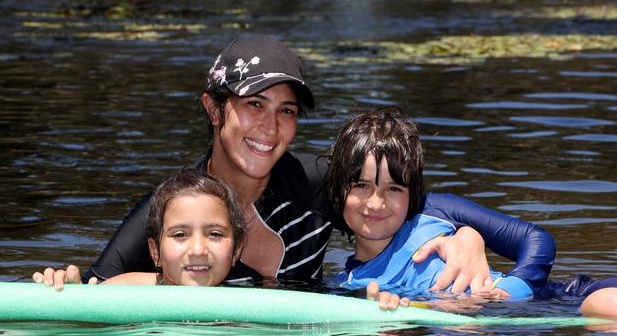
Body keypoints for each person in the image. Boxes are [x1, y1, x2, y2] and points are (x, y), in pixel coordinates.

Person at [33, 35, 554, 292]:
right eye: (253, 105)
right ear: (214, 109)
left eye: (285, 111)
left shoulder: (315, 182)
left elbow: (406, 203)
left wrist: (467, 237)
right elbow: (93, 296)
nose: (270, 128)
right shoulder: (169, 211)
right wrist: (61, 283)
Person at [325, 107, 617, 320]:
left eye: (394, 189)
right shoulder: (348, 287)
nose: (376, 204)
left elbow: (536, 239)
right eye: (361, 185)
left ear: (412, 191)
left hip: (559, 299)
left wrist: (509, 292)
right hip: (502, 321)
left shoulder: (436, 210)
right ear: (338, 189)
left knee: (605, 304)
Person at [102, 168, 246, 286]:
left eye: (215, 234)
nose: (198, 250)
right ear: (155, 251)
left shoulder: (248, 305)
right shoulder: (124, 290)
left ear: (236, 250)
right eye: (180, 235)